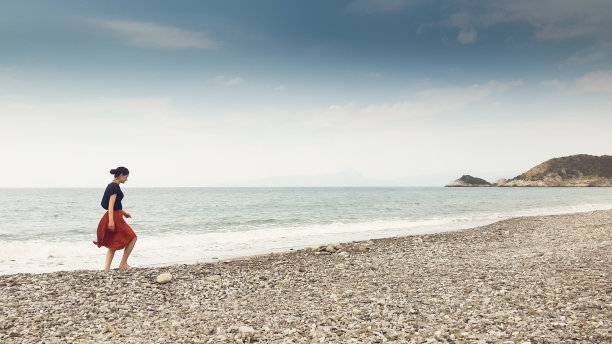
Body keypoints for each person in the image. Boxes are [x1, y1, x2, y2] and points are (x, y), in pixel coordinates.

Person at [93, 166, 137, 270]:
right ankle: (123, 263)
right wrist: (111, 221)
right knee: (133, 237)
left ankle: (107, 268)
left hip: (115, 215)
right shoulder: (115, 187)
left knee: (113, 243)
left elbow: (116, 204)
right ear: (121, 175)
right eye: (126, 176)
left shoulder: (111, 185)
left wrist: (124, 213)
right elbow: (111, 204)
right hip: (114, 217)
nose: (127, 179)